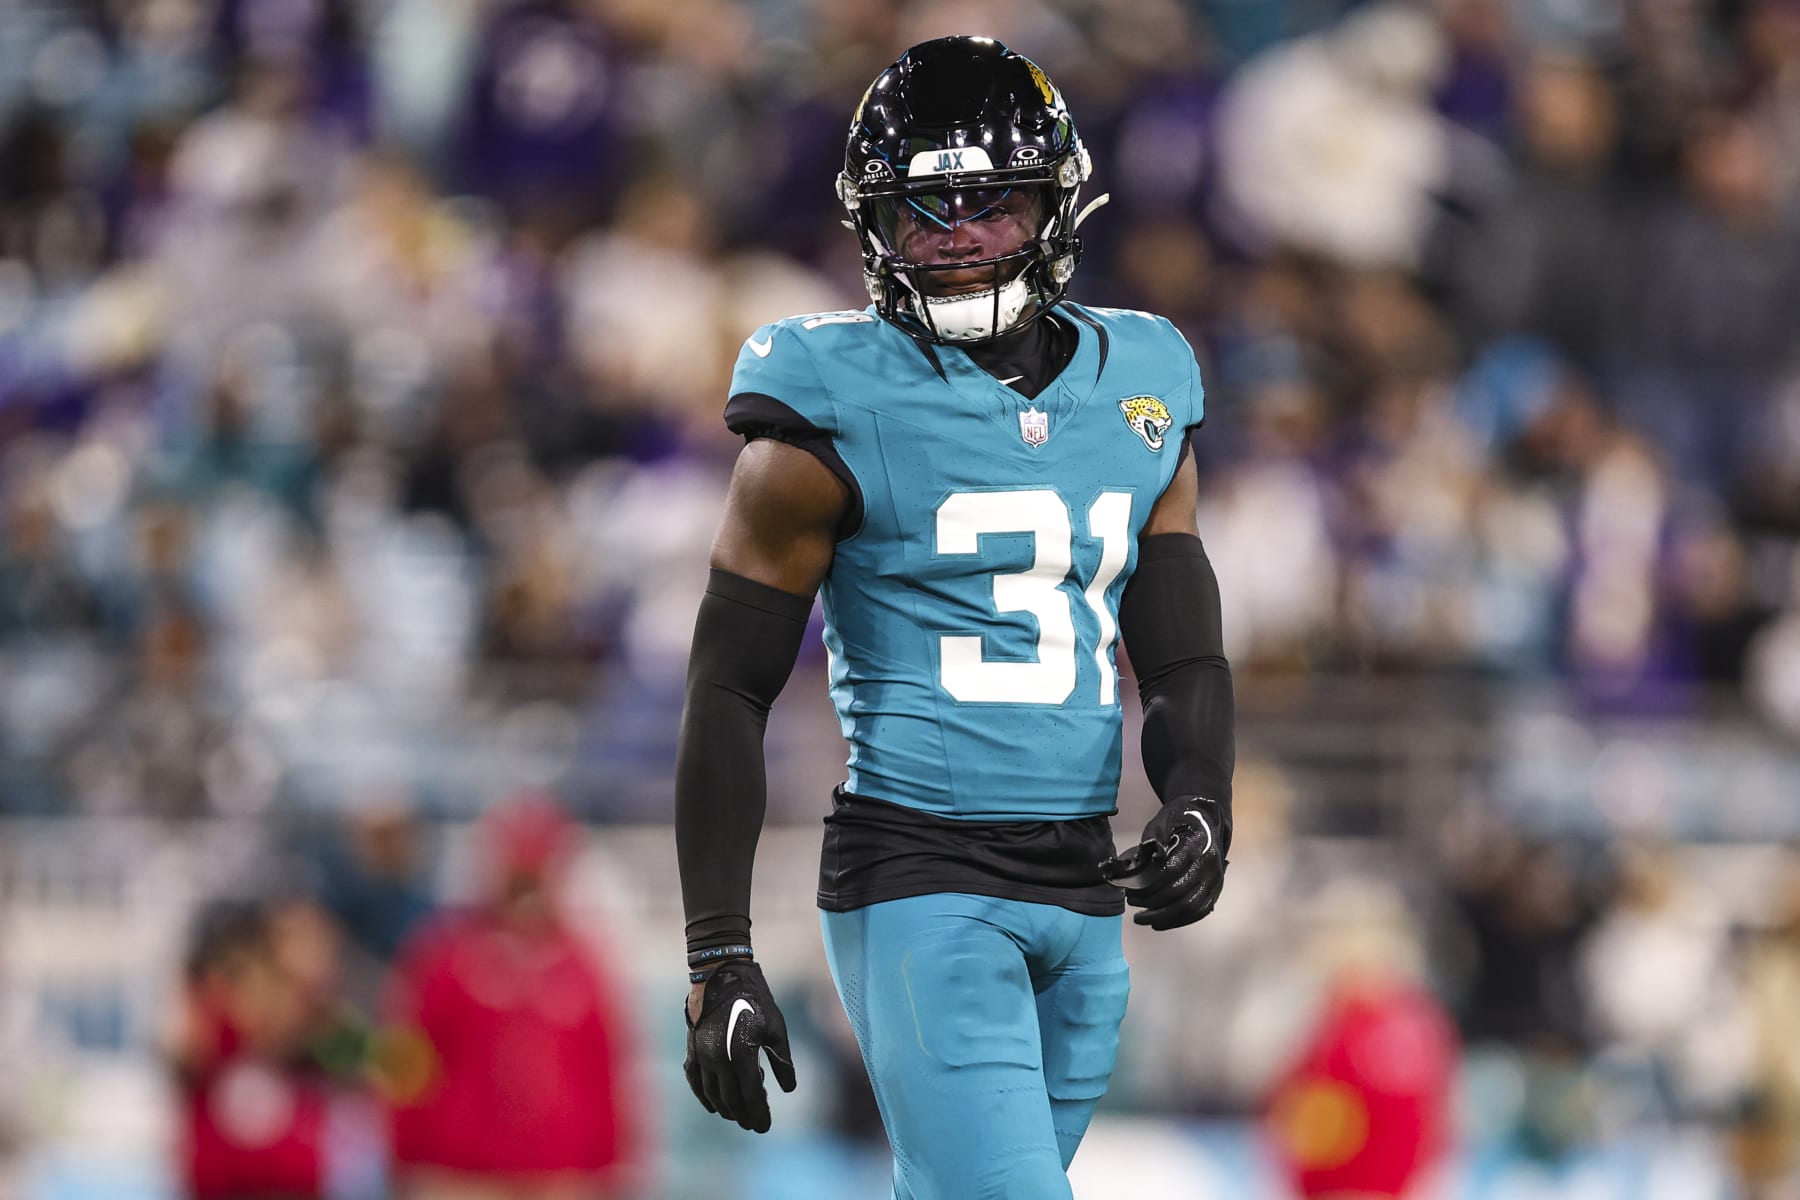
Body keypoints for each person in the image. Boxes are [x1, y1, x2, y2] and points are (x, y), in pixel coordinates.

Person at [674, 36, 1236, 1199]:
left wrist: (1202, 797)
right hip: (922, 874)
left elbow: (1183, 653)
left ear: (1056, 201)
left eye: (993, 200)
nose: (962, 235)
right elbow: (729, 690)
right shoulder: (824, 406)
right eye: (926, 209)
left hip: (1086, 891)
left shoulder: (1142, 387)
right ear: (875, 227)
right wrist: (716, 949)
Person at [380, 792, 647, 1199]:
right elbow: (408, 1061)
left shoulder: (582, 966)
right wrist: (403, 1160)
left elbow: (604, 1072)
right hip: (460, 1179)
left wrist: (612, 1169)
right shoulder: (446, 958)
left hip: (559, 1180)